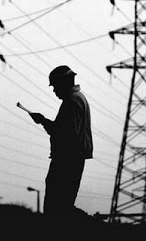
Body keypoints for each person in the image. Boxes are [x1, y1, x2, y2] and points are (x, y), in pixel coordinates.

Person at [29, 65, 93, 217]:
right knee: (64, 205)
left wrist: (44, 121)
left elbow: (65, 134)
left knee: (57, 206)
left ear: (63, 83)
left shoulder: (72, 102)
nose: (54, 90)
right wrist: (45, 121)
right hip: (73, 158)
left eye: (55, 86)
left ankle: (85, 226)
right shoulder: (79, 98)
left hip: (67, 160)